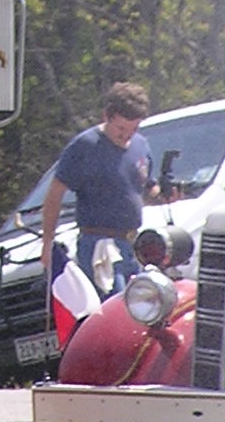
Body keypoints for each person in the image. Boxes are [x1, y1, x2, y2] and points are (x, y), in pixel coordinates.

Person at [39, 82, 154, 297]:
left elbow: (144, 189)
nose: (126, 136)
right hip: (100, 245)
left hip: (133, 244)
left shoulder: (141, 145)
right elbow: (55, 194)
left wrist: (166, 194)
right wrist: (47, 242)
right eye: (121, 129)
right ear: (107, 116)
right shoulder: (85, 147)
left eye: (133, 129)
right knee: (114, 307)